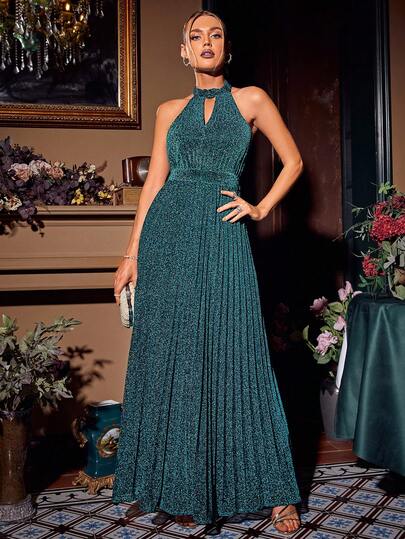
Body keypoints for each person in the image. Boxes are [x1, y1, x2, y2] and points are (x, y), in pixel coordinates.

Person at [112, 9, 304, 535]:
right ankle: (164, 485)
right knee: (167, 359)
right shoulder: (168, 111)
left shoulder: (252, 100)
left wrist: (260, 208)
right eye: (196, 36)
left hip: (222, 238)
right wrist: (131, 256)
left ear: (227, 47)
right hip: (167, 239)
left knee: (239, 356)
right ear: (184, 51)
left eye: (215, 34)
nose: (206, 42)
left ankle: (275, 493)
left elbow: (293, 162)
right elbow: (154, 185)